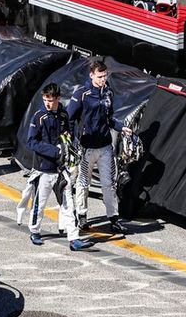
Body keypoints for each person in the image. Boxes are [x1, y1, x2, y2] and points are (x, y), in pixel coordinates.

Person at [17, 83, 94, 251]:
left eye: (51, 100)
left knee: (68, 204)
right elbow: (31, 141)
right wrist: (55, 151)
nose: (47, 103)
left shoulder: (64, 115)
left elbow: (67, 134)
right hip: (43, 168)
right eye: (45, 100)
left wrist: (69, 146)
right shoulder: (38, 117)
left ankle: (74, 238)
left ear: (58, 98)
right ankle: (35, 231)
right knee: (40, 202)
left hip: (61, 168)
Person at [67, 60, 130, 234]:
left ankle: (114, 218)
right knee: (83, 183)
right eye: (100, 76)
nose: (103, 79)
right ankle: (81, 216)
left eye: (105, 76)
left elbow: (110, 118)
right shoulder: (82, 94)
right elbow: (69, 118)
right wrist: (72, 141)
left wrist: (121, 126)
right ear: (91, 75)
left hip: (105, 147)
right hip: (86, 148)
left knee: (109, 185)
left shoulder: (108, 92)